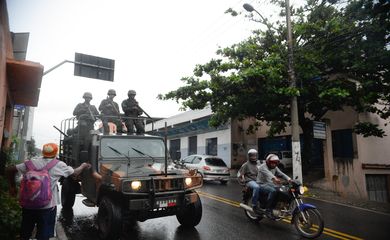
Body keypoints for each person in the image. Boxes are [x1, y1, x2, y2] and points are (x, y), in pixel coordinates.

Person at [6, 143, 91, 240]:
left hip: (28, 206)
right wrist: (83, 165)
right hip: (47, 207)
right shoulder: (59, 165)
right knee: (43, 235)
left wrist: (12, 187)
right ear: (55, 153)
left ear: (43, 152)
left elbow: (9, 169)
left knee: (25, 233)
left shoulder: (30, 163)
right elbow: (75, 173)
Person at [257, 153, 292, 219]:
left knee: (283, 190)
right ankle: (268, 210)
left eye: (275, 163)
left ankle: (279, 206)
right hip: (261, 184)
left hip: (270, 184)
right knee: (273, 191)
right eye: (272, 163)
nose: (274, 164)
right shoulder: (262, 167)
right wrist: (275, 178)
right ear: (268, 162)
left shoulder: (274, 167)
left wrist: (289, 179)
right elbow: (269, 174)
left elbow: (281, 173)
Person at [238, 149, 262, 213]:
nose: (254, 157)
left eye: (255, 156)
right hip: (249, 181)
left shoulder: (258, 164)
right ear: (249, 156)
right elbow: (240, 175)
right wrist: (243, 182)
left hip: (258, 180)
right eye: (252, 156)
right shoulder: (246, 164)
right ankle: (254, 205)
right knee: (256, 187)